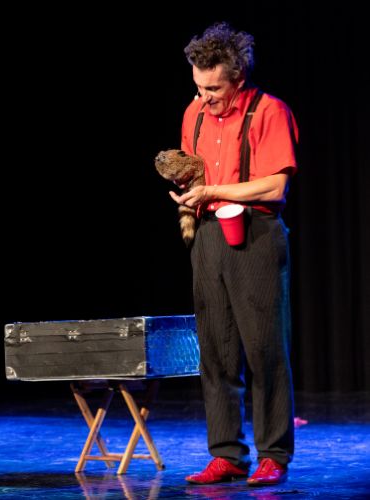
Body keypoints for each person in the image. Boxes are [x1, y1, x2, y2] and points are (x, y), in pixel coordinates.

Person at [168, 22, 298, 486]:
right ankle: (226, 453)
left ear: (238, 78)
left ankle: (273, 454)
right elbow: (194, 169)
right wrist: (187, 186)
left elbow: (275, 186)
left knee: (264, 349)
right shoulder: (195, 113)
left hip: (256, 234)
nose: (204, 98)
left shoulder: (269, 112)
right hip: (208, 235)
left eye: (214, 90)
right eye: (198, 87)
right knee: (216, 351)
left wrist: (213, 190)